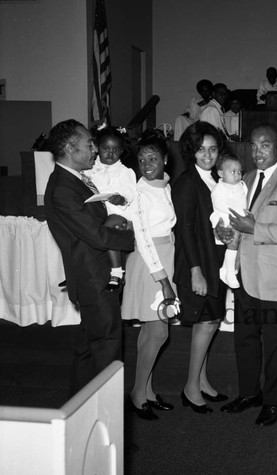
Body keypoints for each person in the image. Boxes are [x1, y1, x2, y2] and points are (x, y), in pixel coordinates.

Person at [220, 124, 277, 427]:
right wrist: (225, 232)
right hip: (245, 273)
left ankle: (272, 401)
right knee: (244, 338)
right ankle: (249, 393)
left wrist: (255, 229)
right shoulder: (244, 179)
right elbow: (236, 221)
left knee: (274, 342)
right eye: (254, 147)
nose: (258, 152)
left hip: (273, 276)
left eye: (265, 145)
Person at [44, 119, 134, 393]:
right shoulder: (63, 188)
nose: (94, 149)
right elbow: (96, 235)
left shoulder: (74, 180)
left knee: (88, 348)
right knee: (107, 348)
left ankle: (77, 411)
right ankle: (106, 419)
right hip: (94, 278)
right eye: (89, 144)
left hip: (95, 274)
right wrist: (133, 238)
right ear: (71, 149)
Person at [121, 129, 178, 420]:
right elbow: (143, 238)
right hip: (149, 264)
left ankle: (148, 391)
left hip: (163, 258)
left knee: (151, 331)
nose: (147, 163)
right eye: (141, 159)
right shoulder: (140, 192)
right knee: (158, 330)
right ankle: (137, 393)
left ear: (165, 159)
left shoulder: (164, 185)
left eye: (153, 157)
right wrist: (164, 279)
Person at [172, 121, 228, 414]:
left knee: (213, 321)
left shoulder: (218, 180)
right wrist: (196, 271)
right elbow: (185, 230)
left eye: (213, 149)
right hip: (199, 263)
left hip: (215, 261)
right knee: (205, 324)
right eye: (201, 149)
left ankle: (202, 381)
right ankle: (190, 386)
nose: (207, 155)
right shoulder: (185, 183)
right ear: (191, 151)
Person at [83, 124, 137, 291]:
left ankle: (117, 272)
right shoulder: (90, 169)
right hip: (97, 213)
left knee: (110, 225)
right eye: (106, 148)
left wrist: (121, 199)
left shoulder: (125, 172)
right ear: (97, 148)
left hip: (118, 213)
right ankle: (80, 270)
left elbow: (130, 194)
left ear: (121, 151)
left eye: (115, 150)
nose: (110, 153)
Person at [209, 151, 247, 289]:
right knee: (233, 242)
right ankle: (230, 272)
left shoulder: (241, 185)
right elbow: (220, 204)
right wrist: (237, 214)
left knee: (237, 244)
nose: (237, 175)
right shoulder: (219, 188)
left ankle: (225, 269)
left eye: (239, 171)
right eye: (233, 171)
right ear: (221, 173)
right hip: (225, 218)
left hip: (239, 218)